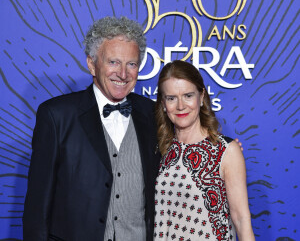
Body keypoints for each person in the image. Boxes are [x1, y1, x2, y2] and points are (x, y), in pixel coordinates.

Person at [23, 16, 161, 241]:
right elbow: (37, 208)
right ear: (91, 64)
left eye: (132, 64)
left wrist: (223, 147)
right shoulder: (56, 115)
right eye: (113, 62)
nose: (123, 74)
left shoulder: (154, 114)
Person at [153, 60, 255, 240]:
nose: (180, 106)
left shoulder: (226, 150)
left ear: (201, 97)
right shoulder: (159, 149)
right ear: (163, 103)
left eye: (188, 95)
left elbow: (241, 220)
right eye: (171, 98)